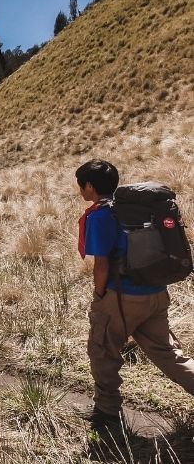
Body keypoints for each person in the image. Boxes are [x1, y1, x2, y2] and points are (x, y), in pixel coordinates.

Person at [76, 159, 194, 429]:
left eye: (82, 186)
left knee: (103, 351)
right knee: (170, 355)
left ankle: (106, 413)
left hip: (121, 298)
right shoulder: (134, 210)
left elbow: (102, 264)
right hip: (156, 293)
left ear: (90, 186)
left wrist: (99, 296)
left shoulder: (100, 216)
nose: (81, 191)